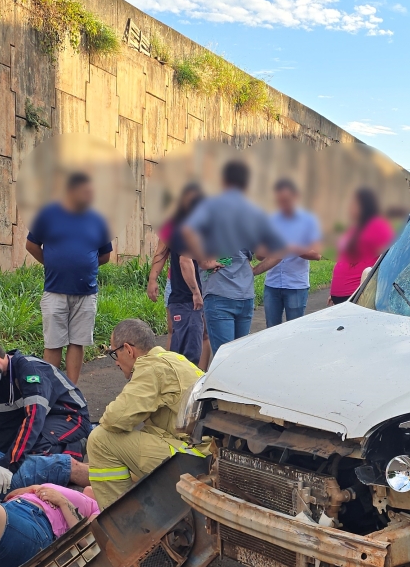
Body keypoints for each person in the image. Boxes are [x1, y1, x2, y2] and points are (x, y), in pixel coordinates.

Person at [86, 318, 205, 509]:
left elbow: (115, 419)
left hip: (195, 462)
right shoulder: (174, 359)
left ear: (128, 349)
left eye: (114, 354)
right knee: (137, 445)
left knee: (100, 440)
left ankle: (121, 519)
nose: (116, 363)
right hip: (206, 455)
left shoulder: (152, 367)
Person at [182, 160, 285, 354]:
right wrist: (255, 270)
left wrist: (203, 261)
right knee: (238, 358)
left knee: (223, 358)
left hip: (219, 292)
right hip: (245, 295)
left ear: (223, 181)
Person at [25, 171, 113, 385]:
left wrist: (83, 265)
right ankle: (51, 390)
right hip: (55, 290)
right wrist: (53, 263)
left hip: (86, 292)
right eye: (86, 192)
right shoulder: (48, 215)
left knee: (77, 342)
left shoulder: (98, 220)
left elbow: (105, 255)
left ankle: (72, 391)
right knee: (53, 343)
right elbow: (31, 245)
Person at [0, 336, 91, 476]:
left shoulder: (30, 371)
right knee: (11, 448)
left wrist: (9, 464)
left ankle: (76, 447)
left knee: (33, 447)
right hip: (41, 419)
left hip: (70, 416)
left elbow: (34, 418)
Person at [255, 178, 321, 327]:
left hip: (296, 286)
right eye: (279, 201)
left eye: (286, 200)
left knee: (294, 329)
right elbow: (259, 255)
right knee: (271, 329)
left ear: (295, 197)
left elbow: (316, 254)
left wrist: (291, 247)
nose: (283, 204)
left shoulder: (308, 221)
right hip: (272, 285)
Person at [162, 183, 205, 365]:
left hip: (182, 299)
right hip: (187, 300)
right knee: (189, 354)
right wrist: (196, 293)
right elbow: (185, 261)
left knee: (182, 349)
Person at [328, 188, 394, 305]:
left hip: (357, 293)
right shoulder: (353, 228)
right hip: (340, 295)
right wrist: (334, 291)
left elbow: (390, 258)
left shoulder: (378, 226)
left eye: (353, 204)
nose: (349, 207)